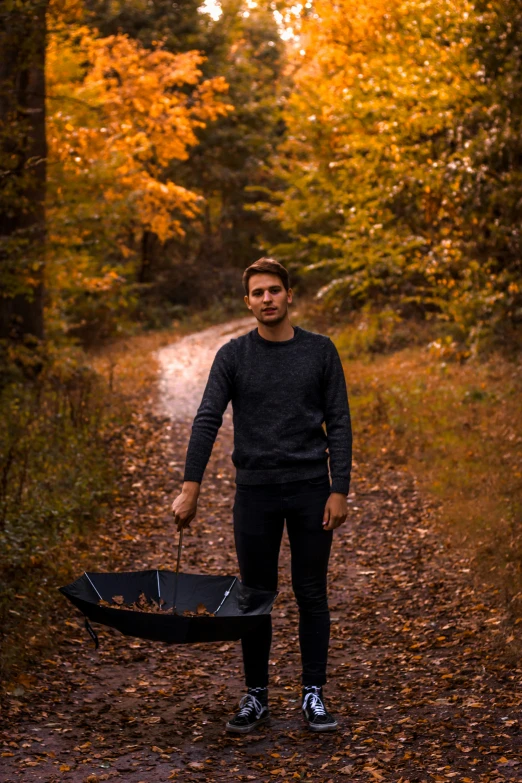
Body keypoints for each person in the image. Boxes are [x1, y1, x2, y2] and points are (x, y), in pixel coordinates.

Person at [171, 257, 352, 733]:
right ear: (247, 301)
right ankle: (257, 696)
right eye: (258, 293)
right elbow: (207, 417)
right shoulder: (233, 355)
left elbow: (340, 422)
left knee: (311, 592)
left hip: (312, 490)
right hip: (255, 493)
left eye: (274, 290)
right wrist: (190, 487)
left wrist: (340, 489)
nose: (267, 299)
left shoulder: (320, 351)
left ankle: (313, 693)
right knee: (255, 596)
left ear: (289, 295)